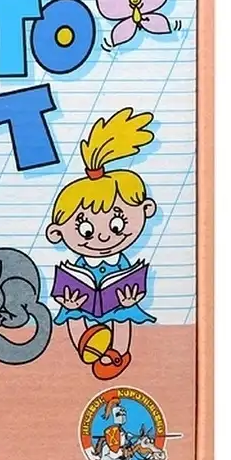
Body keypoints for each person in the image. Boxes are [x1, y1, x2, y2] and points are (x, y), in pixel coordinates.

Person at [46, 108, 157, 380]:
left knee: (123, 312)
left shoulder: (122, 262)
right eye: (86, 231)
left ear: (147, 209)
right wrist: (69, 302)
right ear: (57, 233)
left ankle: (119, 353)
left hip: (115, 305)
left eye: (117, 225)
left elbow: (130, 284)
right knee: (72, 313)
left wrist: (131, 299)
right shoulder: (80, 264)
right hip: (84, 309)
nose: (104, 237)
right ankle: (88, 350)